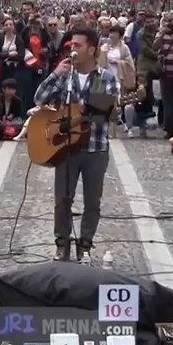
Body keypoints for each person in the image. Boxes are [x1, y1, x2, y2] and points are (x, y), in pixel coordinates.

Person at [34, 27, 118, 262]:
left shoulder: (106, 78)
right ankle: (62, 243)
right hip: (65, 149)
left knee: (92, 201)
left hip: (95, 148)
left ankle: (85, 244)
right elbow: (39, 99)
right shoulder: (65, 77)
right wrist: (56, 74)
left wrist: (109, 111)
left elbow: (105, 113)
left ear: (91, 50)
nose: (72, 49)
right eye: (71, 45)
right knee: (62, 199)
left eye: (78, 45)